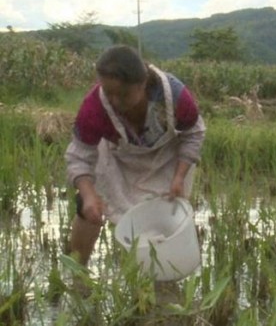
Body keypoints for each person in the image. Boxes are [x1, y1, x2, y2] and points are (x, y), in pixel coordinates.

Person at [65, 45, 206, 273]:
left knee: (160, 217)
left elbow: (193, 133)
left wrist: (179, 176)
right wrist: (88, 194)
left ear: (142, 85)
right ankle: (77, 275)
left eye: (122, 94)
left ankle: (159, 278)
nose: (114, 100)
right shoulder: (94, 107)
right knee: (84, 207)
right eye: (108, 92)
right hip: (117, 160)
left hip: (165, 161)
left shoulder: (175, 95)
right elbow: (79, 154)